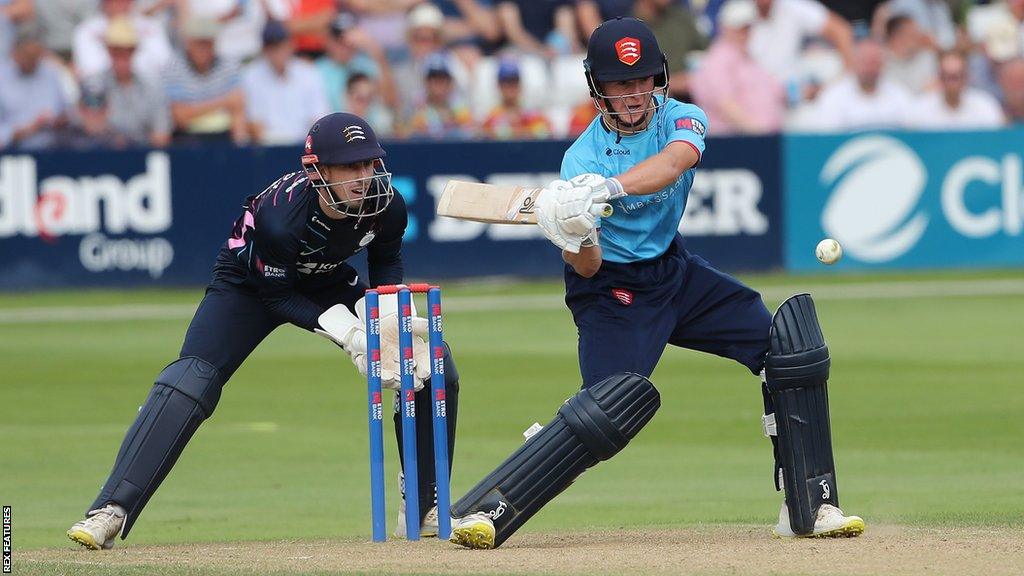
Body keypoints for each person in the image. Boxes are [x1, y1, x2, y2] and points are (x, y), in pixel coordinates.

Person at [446, 17, 865, 550]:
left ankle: (809, 502)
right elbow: (588, 268)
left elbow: (675, 163)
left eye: (644, 79)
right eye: (622, 84)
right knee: (604, 416)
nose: (637, 94)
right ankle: (490, 507)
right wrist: (572, 230)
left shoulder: (682, 118)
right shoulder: (580, 159)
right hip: (613, 292)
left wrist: (607, 189)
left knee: (787, 349)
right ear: (598, 87)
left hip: (676, 271)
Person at [66, 112, 461, 549]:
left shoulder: (387, 204)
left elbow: (386, 262)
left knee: (430, 364)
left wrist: (388, 316)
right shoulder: (281, 216)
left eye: (369, 163)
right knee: (190, 380)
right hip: (249, 285)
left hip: (326, 277)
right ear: (317, 170)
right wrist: (349, 335)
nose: (363, 176)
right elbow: (278, 297)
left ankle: (423, 505)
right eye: (350, 166)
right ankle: (110, 509)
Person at [690, 0, 784, 135]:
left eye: (748, 28)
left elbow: (773, 91)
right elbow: (726, 104)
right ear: (724, 27)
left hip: (766, 139)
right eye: (739, 28)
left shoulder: (749, 58)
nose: (744, 33)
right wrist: (758, 133)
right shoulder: (717, 60)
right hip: (734, 143)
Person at [77, 16, 172, 148]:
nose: (122, 56)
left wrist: (132, 143)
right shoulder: (94, 84)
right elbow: (90, 127)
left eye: (127, 50)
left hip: (142, 155)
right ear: (108, 51)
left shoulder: (151, 86)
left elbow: (162, 135)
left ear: (134, 51)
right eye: (116, 50)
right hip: (103, 155)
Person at [241, 20, 329, 145]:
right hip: (269, 150)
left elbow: (318, 119)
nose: (278, 51)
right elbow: (255, 125)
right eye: (272, 47)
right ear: (264, 49)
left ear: (291, 45)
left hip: (305, 148)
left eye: (281, 45)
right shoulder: (250, 76)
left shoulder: (309, 73)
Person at [906, 50, 1005, 130]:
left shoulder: (985, 106)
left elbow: (995, 139)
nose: (952, 83)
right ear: (939, 78)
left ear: (967, 77)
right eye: (947, 77)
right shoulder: (920, 109)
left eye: (957, 77)